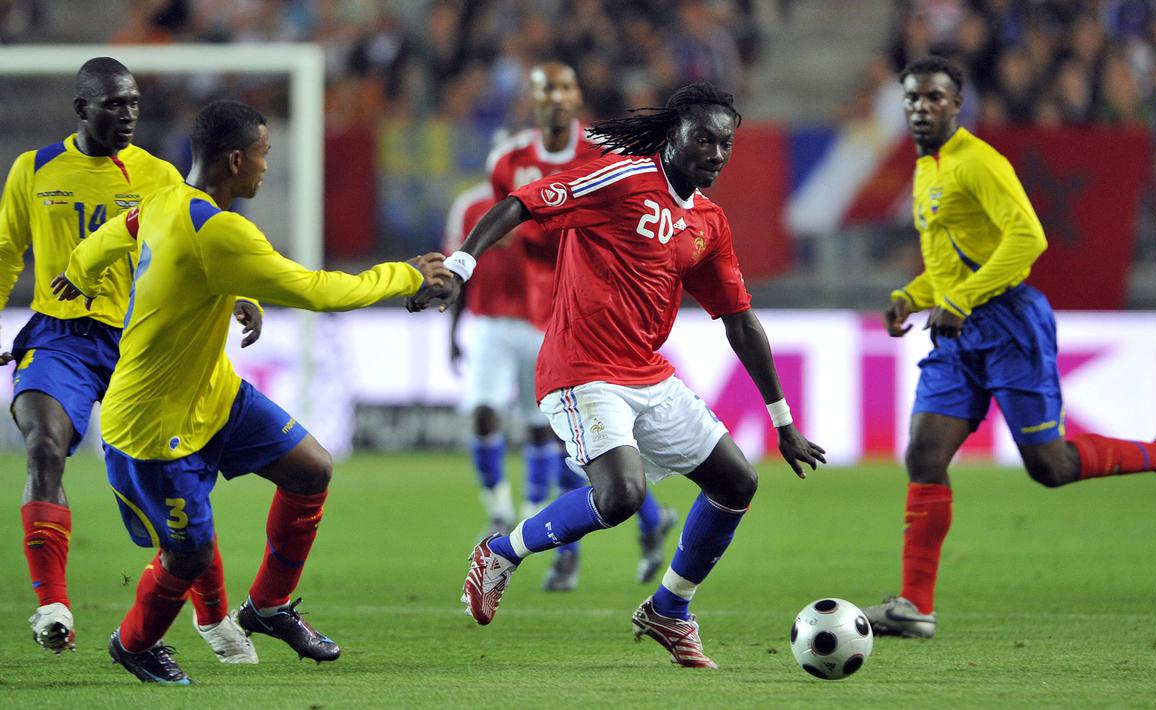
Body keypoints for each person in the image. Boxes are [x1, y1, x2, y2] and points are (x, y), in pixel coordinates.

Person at [414, 81, 826, 668]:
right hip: (581, 370)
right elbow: (521, 203)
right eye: (703, 140)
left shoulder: (707, 222)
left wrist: (782, 421)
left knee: (737, 483)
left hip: (647, 374)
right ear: (673, 135)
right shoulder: (620, 179)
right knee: (622, 495)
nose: (715, 154)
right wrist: (460, 268)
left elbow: (740, 320)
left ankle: (669, 609)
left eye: (725, 144)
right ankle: (501, 551)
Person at [54, 99, 450, 684]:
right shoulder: (221, 231)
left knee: (311, 468)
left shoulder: (165, 199)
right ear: (236, 160)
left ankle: (268, 607)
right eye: (263, 154)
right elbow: (317, 291)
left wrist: (80, 268)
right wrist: (408, 274)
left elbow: (119, 232)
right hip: (151, 424)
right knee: (188, 555)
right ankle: (133, 644)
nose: (267, 165)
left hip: (213, 395)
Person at [863, 56, 1156, 639]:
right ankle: (915, 606)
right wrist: (912, 296)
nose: (921, 108)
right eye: (912, 99)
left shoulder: (979, 162)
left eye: (933, 98)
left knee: (1050, 467)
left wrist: (962, 298)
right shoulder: (927, 169)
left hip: (1009, 324)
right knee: (924, 455)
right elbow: (951, 267)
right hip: (957, 333)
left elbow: (1028, 237)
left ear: (957, 104)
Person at [0, 57, 257, 662]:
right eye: (114, 103)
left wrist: (241, 292)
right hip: (60, 336)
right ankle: (53, 606)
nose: (128, 114)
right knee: (43, 444)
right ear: (81, 108)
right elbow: (7, 250)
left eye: (134, 103)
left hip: (139, 343)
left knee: (180, 483)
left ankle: (213, 617)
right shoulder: (33, 169)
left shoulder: (158, 174)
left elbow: (205, 243)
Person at [449, 60, 676, 592]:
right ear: (532, 99)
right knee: (574, 443)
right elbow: (510, 223)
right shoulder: (508, 163)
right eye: (544, 88)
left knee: (581, 443)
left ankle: (605, 534)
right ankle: (629, 525)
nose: (555, 97)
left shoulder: (605, 151)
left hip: (592, 309)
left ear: (577, 96)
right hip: (536, 313)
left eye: (565, 87)